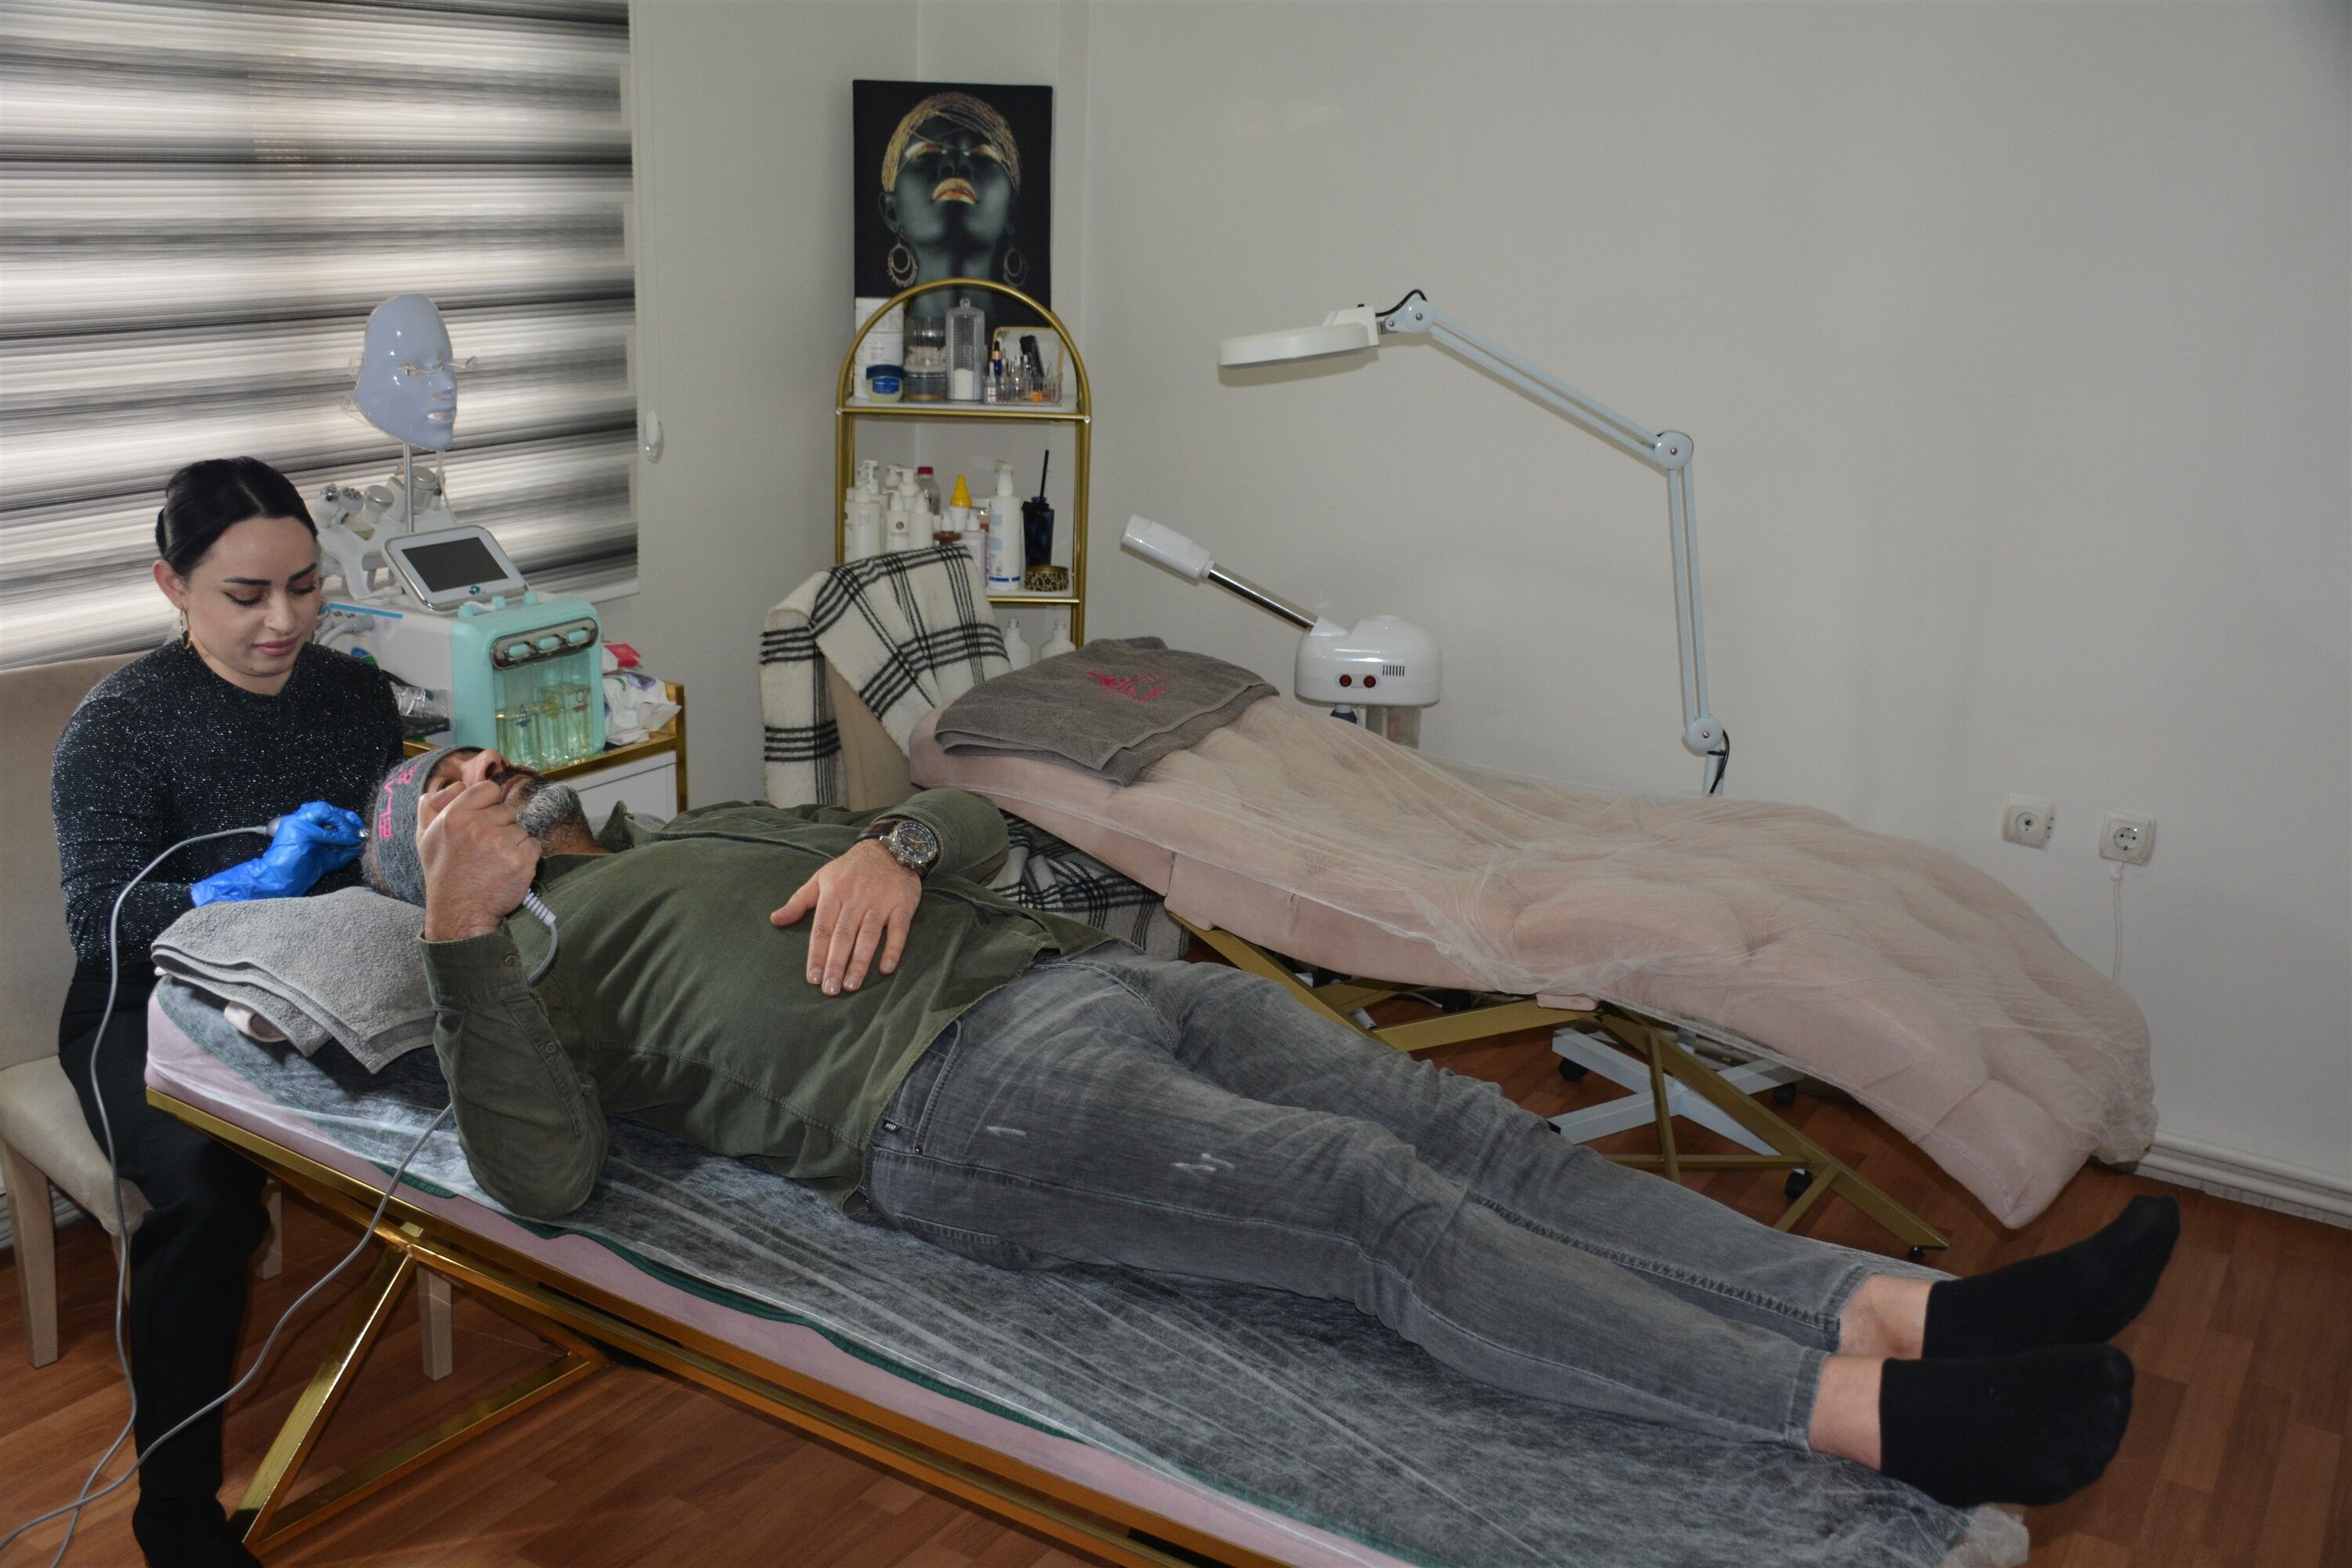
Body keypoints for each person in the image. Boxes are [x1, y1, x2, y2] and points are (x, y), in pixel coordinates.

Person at [371, 746, 2180, 1511]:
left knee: (1483, 1136)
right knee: (1371, 1203)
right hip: (956, 1100)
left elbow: (971, 821)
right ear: (419, 866)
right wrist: (459, 930)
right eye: (441, 798)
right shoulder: (523, 974)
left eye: (483, 763)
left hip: (1095, 977)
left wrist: (894, 844)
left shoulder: (694, 826)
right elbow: (541, 1175)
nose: (486, 783)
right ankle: (1872, 1418)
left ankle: (1905, 1306)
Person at [51, 457, 403, 1567]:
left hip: (318, 978)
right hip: (148, 997)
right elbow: (97, 920)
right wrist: (236, 884)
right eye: (246, 596)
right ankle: (177, 1518)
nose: (284, 621)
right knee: (206, 1198)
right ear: (174, 586)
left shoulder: (353, 695)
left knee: (482, 1078)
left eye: (304, 587)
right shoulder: (121, 724)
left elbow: (383, 860)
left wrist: (425, 834)